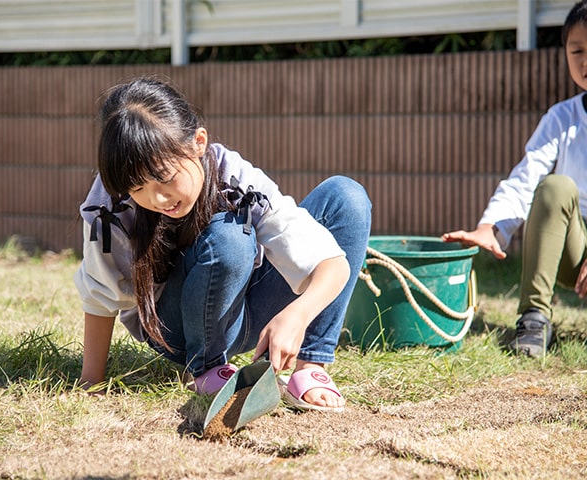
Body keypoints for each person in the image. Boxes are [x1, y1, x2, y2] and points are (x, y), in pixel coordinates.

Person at [74, 77, 372, 411]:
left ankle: (310, 367)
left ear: (198, 142)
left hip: (244, 310)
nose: (156, 198)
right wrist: (91, 381)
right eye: (137, 188)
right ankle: (208, 368)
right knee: (228, 237)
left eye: (165, 177)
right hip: (177, 330)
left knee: (345, 197)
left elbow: (332, 263)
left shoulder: (235, 177)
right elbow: (100, 295)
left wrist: (297, 315)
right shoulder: (110, 204)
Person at [442, 0, 587, 358]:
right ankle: (535, 317)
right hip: (577, 248)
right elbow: (526, 177)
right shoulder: (561, 118)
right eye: (577, 50)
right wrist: (490, 227)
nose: (585, 60)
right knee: (555, 186)